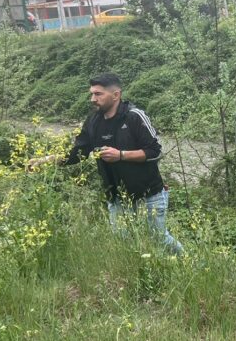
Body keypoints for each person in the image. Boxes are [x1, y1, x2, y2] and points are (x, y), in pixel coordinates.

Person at [30, 73, 183, 254]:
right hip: (117, 195)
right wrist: (46, 160)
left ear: (116, 95)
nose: (93, 99)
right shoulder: (93, 121)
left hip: (149, 193)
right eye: (92, 94)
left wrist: (121, 155)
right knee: (122, 242)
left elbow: (155, 151)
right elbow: (77, 153)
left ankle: (186, 260)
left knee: (158, 238)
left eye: (98, 94)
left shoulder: (134, 117)